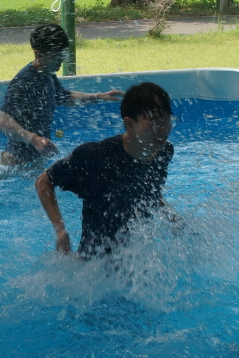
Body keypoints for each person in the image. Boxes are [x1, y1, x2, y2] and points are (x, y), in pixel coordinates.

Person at [35, 81, 176, 258]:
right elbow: (43, 182)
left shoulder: (164, 152)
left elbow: (148, 189)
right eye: (154, 122)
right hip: (93, 263)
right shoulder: (95, 155)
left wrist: (171, 217)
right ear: (130, 123)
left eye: (167, 120)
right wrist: (60, 231)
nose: (164, 129)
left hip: (137, 259)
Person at [0, 23, 122, 166]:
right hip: (16, 160)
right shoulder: (25, 80)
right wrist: (35, 139)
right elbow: (1, 122)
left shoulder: (47, 74)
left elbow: (65, 97)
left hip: (35, 158)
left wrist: (98, 97)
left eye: (63, 54)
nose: (61, 60)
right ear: (38, 54)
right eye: (56, 55)